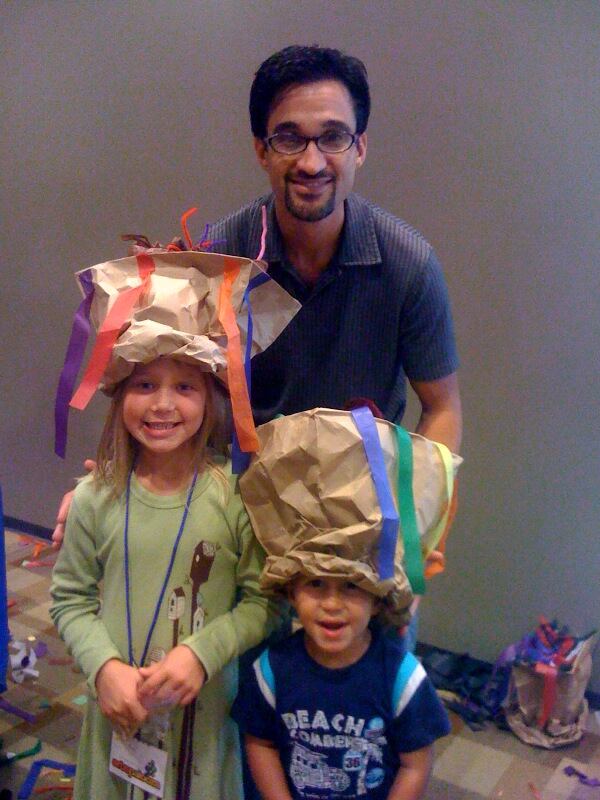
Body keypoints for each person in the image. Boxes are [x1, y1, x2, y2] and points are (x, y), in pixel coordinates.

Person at [52, 44, 461, 547]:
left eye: (332, 137)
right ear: (261, 150)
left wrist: (411, 528)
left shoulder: (408, 266)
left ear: (360, 147)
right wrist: (107, 486)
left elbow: (442, 408)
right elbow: (164, 389)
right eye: (289, 138)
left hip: (361, 514)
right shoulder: (220, 257)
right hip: (242, 514)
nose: (312, 162)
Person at [49, 245, 301, 799]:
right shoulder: (96, 497)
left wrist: (201, 653)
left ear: (211, 398)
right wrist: (103, 668)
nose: (162, 404)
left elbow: (266, 601)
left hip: (203, 723)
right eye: (144, 385)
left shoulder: (235, 495)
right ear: (119, 396)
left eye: (184, 386)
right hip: (118, 715)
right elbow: (69, 600)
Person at [231, 407, 453, 800]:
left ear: (376, 598)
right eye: (315, 584)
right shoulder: (272, 671)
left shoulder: (399, 677)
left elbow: (416, 761)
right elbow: (260, 742)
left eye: (351, 587)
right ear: (291, 591)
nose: (332, 604)